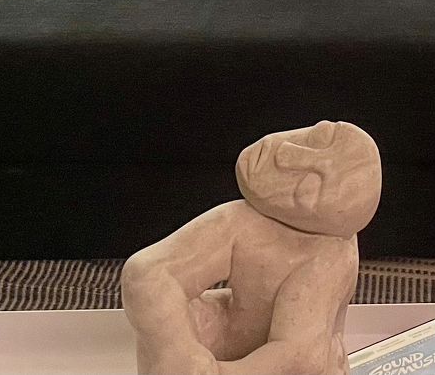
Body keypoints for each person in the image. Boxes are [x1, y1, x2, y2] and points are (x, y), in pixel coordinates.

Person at [121, 121, 382, 375]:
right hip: (233, 332)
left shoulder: (328, 256)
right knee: (165, 323)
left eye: (307, 190)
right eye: (319, 137)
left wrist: (216, 371)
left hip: (290, 361)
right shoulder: (239, 220)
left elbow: (298, 356)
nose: (286, 156)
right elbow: (146, 273)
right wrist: (178, 351)